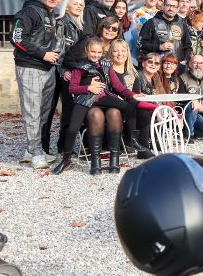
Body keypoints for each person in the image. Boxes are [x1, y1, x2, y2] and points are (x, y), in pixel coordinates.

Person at [65, 37, 152, 175]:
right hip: (86, 100)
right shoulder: (80, 67)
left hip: (103, 97)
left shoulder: (106, 65)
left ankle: (132, 140)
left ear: (103, 52)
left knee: (130, 107)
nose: (96, 55)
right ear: (87, 50)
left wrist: (131, 95)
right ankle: (66, 159)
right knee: (72, 129)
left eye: (99, 52)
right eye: (93, 52)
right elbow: (72, 88)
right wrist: (88, 87)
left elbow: (117, 85)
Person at [11, 0, 63, 169]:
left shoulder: (51, 15)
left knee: (43, 113)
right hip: (30, 67)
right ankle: (35, 154)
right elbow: (17, 38)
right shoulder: (30, 12)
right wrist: (42, 54)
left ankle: (33, 150)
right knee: (32, 112)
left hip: (47, 68)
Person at [42, 0, 84, 159]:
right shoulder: (62, 23)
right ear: (67, 6)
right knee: (49, 111)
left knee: (68, 110)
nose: (79, 7)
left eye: (81, 4)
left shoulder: (79, 25)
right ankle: (43, 148)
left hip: (71, 74)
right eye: (75, 4)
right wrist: (63, 70)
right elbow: (58, 53)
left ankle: (62, 145)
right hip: (59, 74)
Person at [109, 38, 154, 158]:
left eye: (123, 51)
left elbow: (136, 93)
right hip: (112, 104)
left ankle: (143, 148)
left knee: (144, 113)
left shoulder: (133, 71)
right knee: (131, 107)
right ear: (110, 52)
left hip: (130, 103)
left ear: (128, 52)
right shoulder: (107, 69)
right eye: (116, 51)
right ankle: (130, 141)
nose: (120, 54)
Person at [139, 0, 192, 65]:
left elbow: (188, 46)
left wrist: (185, 60)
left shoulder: (182, 25)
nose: (171, 9)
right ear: (163, 6)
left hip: (177, 65)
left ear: (178, 8)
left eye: (174, 6)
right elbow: (140, 44)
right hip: (156, 65)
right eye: (168, 5)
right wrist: (159, 47)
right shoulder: (151, 23)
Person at [112, 0, 139, 65]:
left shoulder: (131, 24)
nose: (121, 11)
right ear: (113, 8)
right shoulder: (109, 23)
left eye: (123, 8)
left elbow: (135, 43)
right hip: (112, 59)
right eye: (118, 7)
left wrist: (133, 62)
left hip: (128, 60)